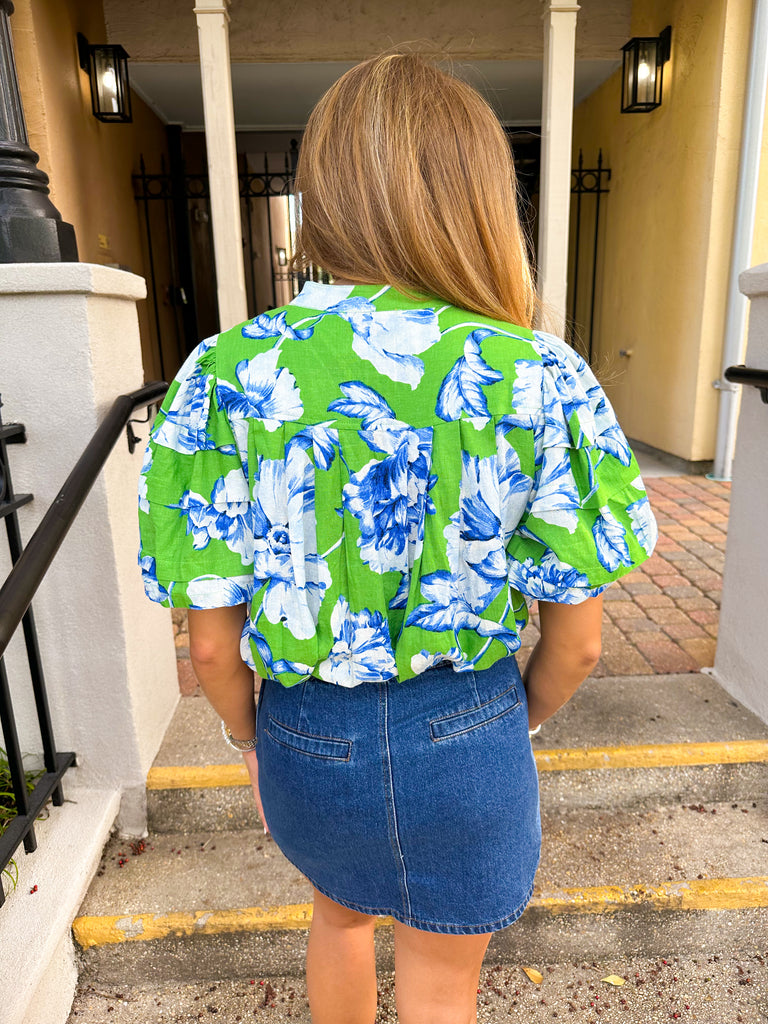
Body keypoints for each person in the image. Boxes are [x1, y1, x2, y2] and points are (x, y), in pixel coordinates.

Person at [138, 52, 657, 1024]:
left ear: (324, 192)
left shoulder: (227, 371)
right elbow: (578, 641)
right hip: (469, 726)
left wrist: (250, 742)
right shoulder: (536, 372)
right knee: (443, 982)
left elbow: (209, 643)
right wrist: (506, 726)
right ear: (478, 193)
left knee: (337, 918)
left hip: (304, 731)